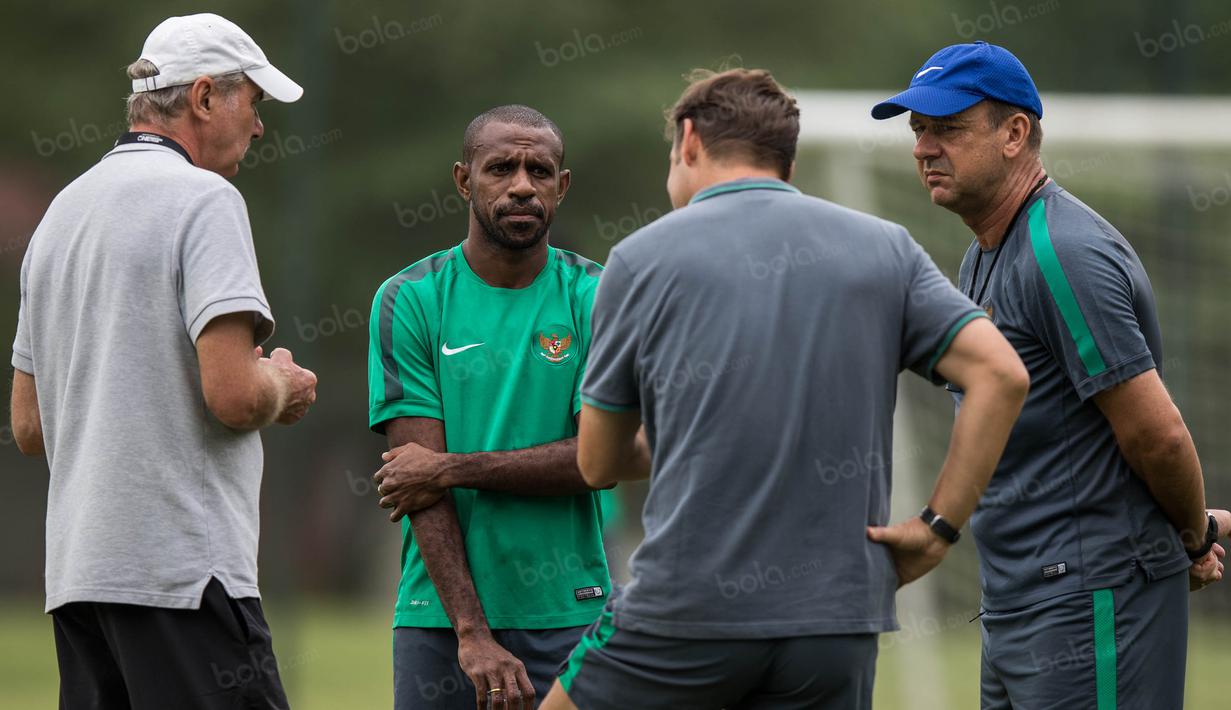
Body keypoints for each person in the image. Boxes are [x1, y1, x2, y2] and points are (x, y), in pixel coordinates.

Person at [541, 68, 1030, 710]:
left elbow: (598, 463)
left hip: (683, 616)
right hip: (835, 627)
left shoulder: (639, 258)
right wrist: (938, 528)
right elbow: (1001, 374)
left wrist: (689, 435)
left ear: (689, 141)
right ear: (788, 164)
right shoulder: (886, 247)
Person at [871, 40, 1231, 709]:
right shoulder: (984, 252)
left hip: (1091, 601)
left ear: (1014, 134)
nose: (923, 148)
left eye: (947, 128)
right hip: (1019, 604)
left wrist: (1193, 537)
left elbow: (1156, 436)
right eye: (917, 130)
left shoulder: (1061, 252)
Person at [8, 13, 316, 709]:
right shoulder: (207, 199)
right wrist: (282, 385)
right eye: (253, 102)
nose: (259, 127)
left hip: (80, 585)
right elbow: (234, 396)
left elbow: (29, 426)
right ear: (204, 97)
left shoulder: (60, 214)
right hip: (184, 576)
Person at [367, 105, 612, 710]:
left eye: (540, 171)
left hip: (570, 612)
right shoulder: (410, 298)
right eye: (501, 168)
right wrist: (472, 633)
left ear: (562, 185)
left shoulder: (599, 295)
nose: (522, 185)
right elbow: (414, 484)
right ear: (463, 180)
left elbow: (596, 461)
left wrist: (450, 468)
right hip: (440, 621)